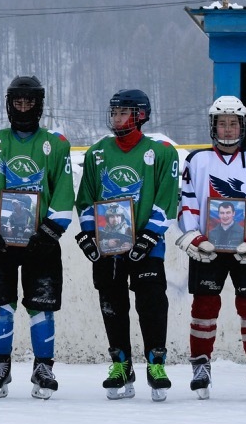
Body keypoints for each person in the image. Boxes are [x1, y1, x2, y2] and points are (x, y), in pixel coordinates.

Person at [0, 76, 75, 399]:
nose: (23, 107)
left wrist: (49, 231)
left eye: (29, 102)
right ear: (9, 103)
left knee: (42, 306)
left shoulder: (56, 145)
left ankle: (44, 367)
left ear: (39, 105)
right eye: (18, 101)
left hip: (40, 241)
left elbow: (64, 193)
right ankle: (0, 365)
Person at [74, 89, 179, 400]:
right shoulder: (96, 153)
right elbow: (86, 198)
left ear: (141, 115)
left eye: (124, 113)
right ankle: (120, 364)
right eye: (115, 113)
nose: (117, 118)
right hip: (109, 244)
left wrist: (150, 235)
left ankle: (156, 363)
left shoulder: (161, 152)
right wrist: (88, 235)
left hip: (147, 244)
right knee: (112, 304)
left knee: (151, 304)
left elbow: (167, 197)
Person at [174, 96, 246, 400]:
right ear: (213, 125)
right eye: (222, 123)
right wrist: (193, 236)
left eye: (234, 123)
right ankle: (201, 366)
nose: (228, 129)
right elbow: (188, 202)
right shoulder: (197, 160)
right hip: (208, 247)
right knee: (204, 307)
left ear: (242, 126)